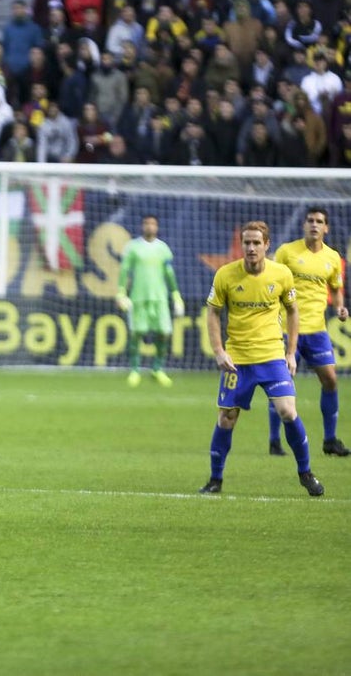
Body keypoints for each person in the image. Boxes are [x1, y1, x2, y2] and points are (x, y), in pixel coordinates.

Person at [200, 221, 324, 497]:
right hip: (238, 360)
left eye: (257, 243)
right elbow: (212, 312)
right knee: (226, 418)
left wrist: (290, 352)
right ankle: (215, 479)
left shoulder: (281, 274)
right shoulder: (225, 275)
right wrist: (219, 351)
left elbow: (293, 311)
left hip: (271, 357)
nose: (251, 247)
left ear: (267, 245)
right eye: (247, 242)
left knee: (288, 412)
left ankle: (305, 472)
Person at [267, 208, 350, 458]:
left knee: (331, 380)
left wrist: (339, 307)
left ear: (326, 228)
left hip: (316, 331)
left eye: (319, 222)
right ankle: (274, 441)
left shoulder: (333, 258)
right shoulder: (286, 252)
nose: (314, 225)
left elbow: (335, 288)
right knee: (281, 384)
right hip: (285, 330)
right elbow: (270, 282)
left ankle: (330, 440)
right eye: (310, 220)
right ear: (304, 225)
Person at [116, 215, 185, 388]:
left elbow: (169, 273)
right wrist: (121, 293)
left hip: (159, 298)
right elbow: (125, 270)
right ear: (142, 226)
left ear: (157, 227)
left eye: (153, 223)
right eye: (146, 223)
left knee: (164, 332)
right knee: (136, 333)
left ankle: (157, 368)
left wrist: (176, 295)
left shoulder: (163, 248)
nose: (149, 226)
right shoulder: (133, 247)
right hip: (138, 297)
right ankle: (135, 370)